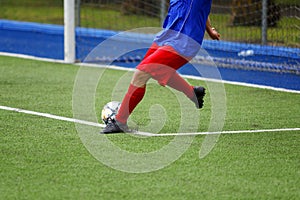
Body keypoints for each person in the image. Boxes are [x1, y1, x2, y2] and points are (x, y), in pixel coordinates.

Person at [102, 0, 220, 133]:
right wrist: (209, 29)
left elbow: (201, 7)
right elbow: (201, 10)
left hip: (184, 42)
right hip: (165, 37)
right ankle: (192, 92)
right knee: (158, 72)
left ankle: (120, 122)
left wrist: (209, 29)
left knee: (141, 74)